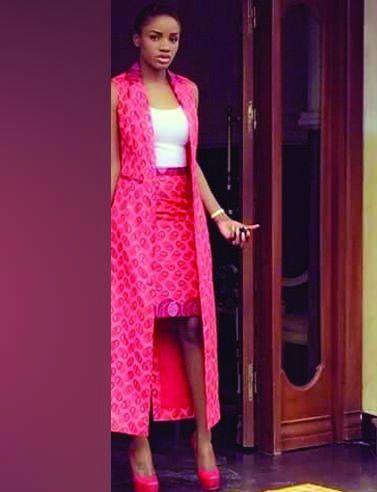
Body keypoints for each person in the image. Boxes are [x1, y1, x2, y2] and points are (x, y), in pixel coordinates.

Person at [110, 4, 258, 491]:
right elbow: (112, 164)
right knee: (138, 327)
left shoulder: (188, 90)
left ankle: (204, 438)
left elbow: (192, 163)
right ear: (137, 39)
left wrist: (219, 217)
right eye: (155, 37)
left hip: (182, 214)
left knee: (192, 324)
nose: (165, 46)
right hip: (133, 213)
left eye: (172, 38)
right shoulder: (117, 91)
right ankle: (139, 445)